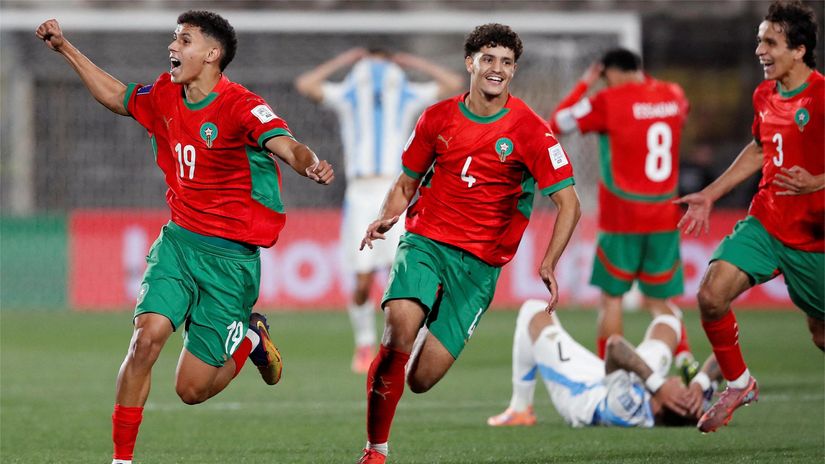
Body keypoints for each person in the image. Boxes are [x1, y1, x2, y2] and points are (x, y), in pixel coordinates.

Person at [35, 11, 334, 464]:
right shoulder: (164, 94)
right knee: (145, 339)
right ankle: (121, 461)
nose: (173, 46)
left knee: (191, 390)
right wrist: (65, 48)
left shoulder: (241, 105)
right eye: (175, 38)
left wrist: (309, 165)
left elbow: (288, 145)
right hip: (178, 244)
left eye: (185, 40)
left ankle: (252, 339)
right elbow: (117, 96)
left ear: (212, 54)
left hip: (230, 262)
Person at [356, 23, 581, 464]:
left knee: (421, 379)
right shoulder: (436, 118)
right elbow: (406, 184)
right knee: (398, 329)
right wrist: (386, 216)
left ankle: (428, 324)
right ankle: (375, 450)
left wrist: (549, 263)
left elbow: (570, 204)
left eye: (506, 62)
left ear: (513, 71)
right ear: (470, 63)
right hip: (426, 242)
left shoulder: (531, 130)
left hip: (479, 267)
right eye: (488, 59)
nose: (497, 68)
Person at [675, 0, 823, 433]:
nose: (760, 50)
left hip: (815, 236)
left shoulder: (821, 97)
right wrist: (710, 194)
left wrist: (818, 182)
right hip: (767, 221)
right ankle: (739, 384)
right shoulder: (764, 95)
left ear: (799, 50)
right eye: (760, 41)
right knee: (711, 294)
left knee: (820, 334)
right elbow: (760, 149)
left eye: (771, 43)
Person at [295, 48, 463, 373]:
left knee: (400, 275)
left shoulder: (406, 95)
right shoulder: (348, 96)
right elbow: (305, 84)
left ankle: (403, 343)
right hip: (360, 193)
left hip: (393, 190)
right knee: (362, 280)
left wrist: (412, 62)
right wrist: (344, 60)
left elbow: (453, 83)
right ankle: (363, 343)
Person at [548, 48, 697, 378]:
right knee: (659, 299)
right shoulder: (673, 95)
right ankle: (685, 356)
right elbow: (680, 115)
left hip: (621, 218)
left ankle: (611, 372)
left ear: (609, 72)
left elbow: (557, 122)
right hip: (664, 216)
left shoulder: (608, 100)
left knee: (612, 298)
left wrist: (587, 82)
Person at [487, 300, 720, 428]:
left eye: (681, 388)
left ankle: (520, 409)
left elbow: (615, 345)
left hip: (583, 388)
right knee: (670, 323)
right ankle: (645, 295)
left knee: (533, 310)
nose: (680, 381)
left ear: (667, 404)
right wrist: (700, 384)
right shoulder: (690, 402)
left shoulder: (626, 411)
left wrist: (659, 385)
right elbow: (723, 357)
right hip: (633, 381)